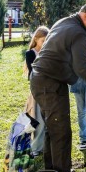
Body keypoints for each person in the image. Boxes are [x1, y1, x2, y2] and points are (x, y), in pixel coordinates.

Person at [30, 3, 86, 172]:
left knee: (52, 128)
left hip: (42, 79)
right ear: (85, 15)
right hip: (50, 83)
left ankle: (53, 171)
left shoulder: (64, 22)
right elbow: (81, 68)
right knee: (61, 130)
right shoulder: (79, 33)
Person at [24, 26, 49, 156]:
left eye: (47, 40)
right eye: (43, 40)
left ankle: (46, 146)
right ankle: (36, 148)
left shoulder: (50, 52)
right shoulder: (30, 54)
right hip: (37, 91)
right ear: (36, 39)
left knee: (48, 120)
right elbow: (32, 75)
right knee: (38, 120)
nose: (45, 43)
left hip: (49, 90)